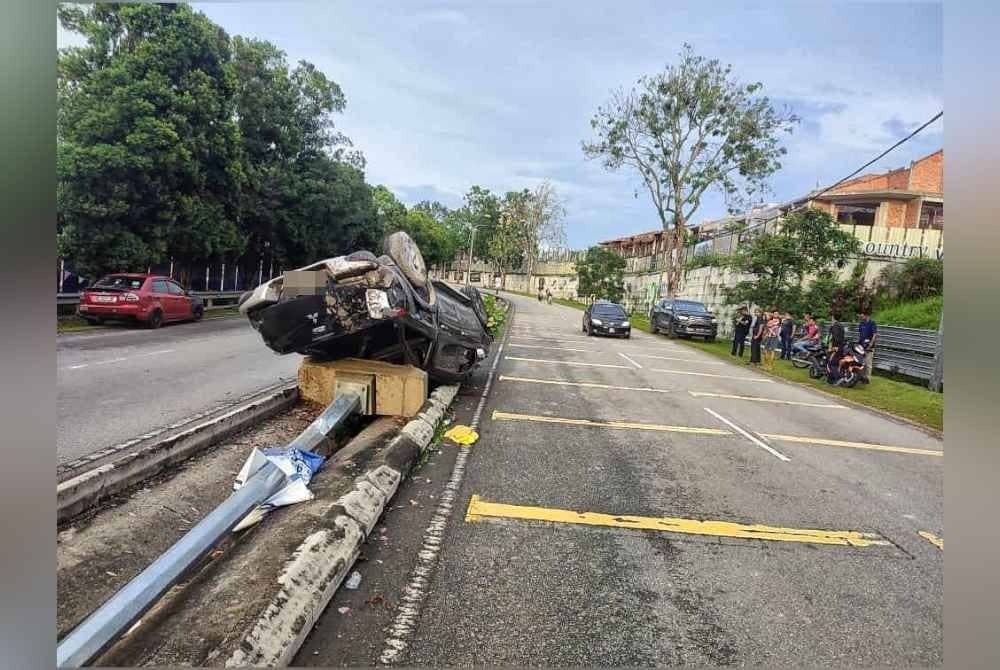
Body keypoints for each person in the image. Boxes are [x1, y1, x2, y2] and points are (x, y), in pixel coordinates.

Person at [858, 310, 878, 383]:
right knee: (861, 362)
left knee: (868, 363)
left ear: (867, 315)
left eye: (862, 315)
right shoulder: (861, 324)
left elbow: (875, 335)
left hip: (869, 347)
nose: (861, 316)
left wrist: (870, 345)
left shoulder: (872, 323)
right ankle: (861, 377)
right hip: (861, 346)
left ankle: (867, 379)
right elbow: (860, 335)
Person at [826, 314, 847, 384]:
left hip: (836, 347)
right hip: (840, 347)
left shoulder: (835, 326)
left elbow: (835, 337)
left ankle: (838, 378)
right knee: (834, 362)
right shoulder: (841, 325)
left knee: (832, 363)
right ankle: (830, 380)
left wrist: (834, 346)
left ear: (833, 318)